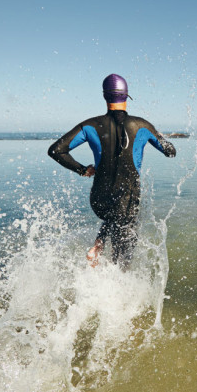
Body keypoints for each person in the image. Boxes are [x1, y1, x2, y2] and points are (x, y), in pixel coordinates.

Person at [48, 74, 176, 268]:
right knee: (122, 262)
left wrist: (82, 169)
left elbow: (56, 150)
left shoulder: (90, 125)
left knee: (111, 216)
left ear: (105, 96)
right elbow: (170, 151)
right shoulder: (141, 125)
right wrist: (154, 135)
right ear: (126, 96)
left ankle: (97, 246)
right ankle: (115, 286)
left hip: (98, 199)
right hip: (127, 200)